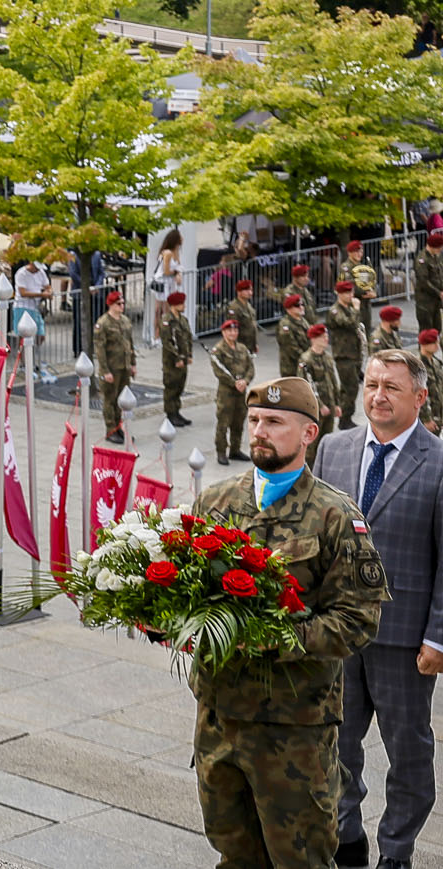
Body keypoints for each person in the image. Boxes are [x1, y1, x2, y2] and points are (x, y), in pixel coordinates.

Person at [190, 376, 388, 869]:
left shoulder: (335, 516)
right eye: (255, 420)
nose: (259, 430)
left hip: (293, 731)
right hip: (220, 719)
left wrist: (275, 637)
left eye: (274, 422)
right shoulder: (215, 502)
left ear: (308, 434)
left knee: (300, 862)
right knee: (233, 855)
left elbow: (359, 619)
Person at [316, 349, 443, 869]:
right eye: (371, 384)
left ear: (420, 396)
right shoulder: (333, 448)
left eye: (391, 387)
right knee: (335, 744)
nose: (378, 395)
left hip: (404, 641)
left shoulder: (437, 462)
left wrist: (438, 638)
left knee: (408, 753)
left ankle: (397, 849)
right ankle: (347, 836)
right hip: (336, 632)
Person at [210, 316, 254, 465]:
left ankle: (235, 450)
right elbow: (219, 371)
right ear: (223, 332)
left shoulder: (242, 349)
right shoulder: (218, 350)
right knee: (224, 422)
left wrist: (245, 381)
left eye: (235, 330)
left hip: (241, 392)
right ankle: (221, 452)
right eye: (229, 331)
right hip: (226, 392)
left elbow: (250, 367)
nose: (233, 333)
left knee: (239, 421)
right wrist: (234, 382)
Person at [94, 290, 136, 444]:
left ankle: (119, 427)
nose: (122, 306)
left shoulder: (125, 321)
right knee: (110, 400)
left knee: (122, 399)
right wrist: (105, 371)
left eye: (123, 303)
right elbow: (100, 349)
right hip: (111, 367)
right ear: (111, 305)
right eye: (119, 304)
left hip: (123, 366)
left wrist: (133, 363)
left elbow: (130, 344)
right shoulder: (103, 323)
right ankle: (110, 430)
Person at [299, 324, 341, 462]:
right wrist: (321, 405)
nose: (326, 339)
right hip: (315, 408)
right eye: (323, 337)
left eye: (326, 336)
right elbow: (306, 387)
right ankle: (309, 473)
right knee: (312, 444)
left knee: (326, 441)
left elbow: (333, 382)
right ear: (314, 339)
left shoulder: (327, 357)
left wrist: (337, 404)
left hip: (330, 404)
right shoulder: (306, 360)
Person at [329, 281, 367, 430]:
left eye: (351, 293)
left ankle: (346, 417)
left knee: (350, 388)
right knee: (349, 388)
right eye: (347, 293)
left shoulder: (348, 309)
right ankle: (344, 419)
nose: (351, 296)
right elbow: (350, 324)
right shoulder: (335, 311)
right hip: (343, 355)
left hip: (353, 354)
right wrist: (357, 309)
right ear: (339, 294)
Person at [157, 292, 194, 428]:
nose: (184, 306)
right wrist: (177, 357)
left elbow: (188, 339)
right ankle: (170, 414)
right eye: (181, 303)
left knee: (180, 386)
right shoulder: (167, 320)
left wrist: (189, 355)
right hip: (172, 361)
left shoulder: (183, 320)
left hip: (183, 360)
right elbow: (167, 342)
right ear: (174, 305)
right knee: (171, 387)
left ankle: (177, 412)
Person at [343, 239, 380, 330]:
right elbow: (350, 285)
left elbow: (371, 281)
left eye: (361, 251)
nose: (359, 254)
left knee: (366, 331)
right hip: (354, 304)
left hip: (365, 305)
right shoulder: (346, 267)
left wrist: (374, 291)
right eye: (356, 252)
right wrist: (366, 292)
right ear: (349, 253)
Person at [417, 230, 443, 338]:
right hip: (425, 301)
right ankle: (424, 354)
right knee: (426, 332)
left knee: (437, 329)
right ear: (433, 246)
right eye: (439, 247)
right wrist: (439, 293)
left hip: (436, 300)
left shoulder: (436, 256)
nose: (441, 249)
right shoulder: (422, 259)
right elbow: (423, 281)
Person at [225, 279, 260, 357]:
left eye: (251, 290)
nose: (250, 293)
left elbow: (252, 326)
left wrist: (255, 344)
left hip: (249, 344)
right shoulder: (234, 307)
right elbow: (232, 328)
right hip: (240, 344)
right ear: (239, 292)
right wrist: (233, 346)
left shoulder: (249, 306)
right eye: (246, 290)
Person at [278, 294, 310, 377]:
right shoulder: (285, 325)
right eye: (297, 305)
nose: (301, 307)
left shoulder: (303, 321)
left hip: (304, 364)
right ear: (288, 309)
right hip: (292, 367)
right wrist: (307, 358)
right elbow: (291, 348)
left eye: (302, 304)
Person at [420, 330, 443, 436]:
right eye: (434, 343)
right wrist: (427, 419)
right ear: (424, 344)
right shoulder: (418, 366)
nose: (437, 346)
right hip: (426, 418)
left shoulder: (436, 363)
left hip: (438, 415)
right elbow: (419, 394)